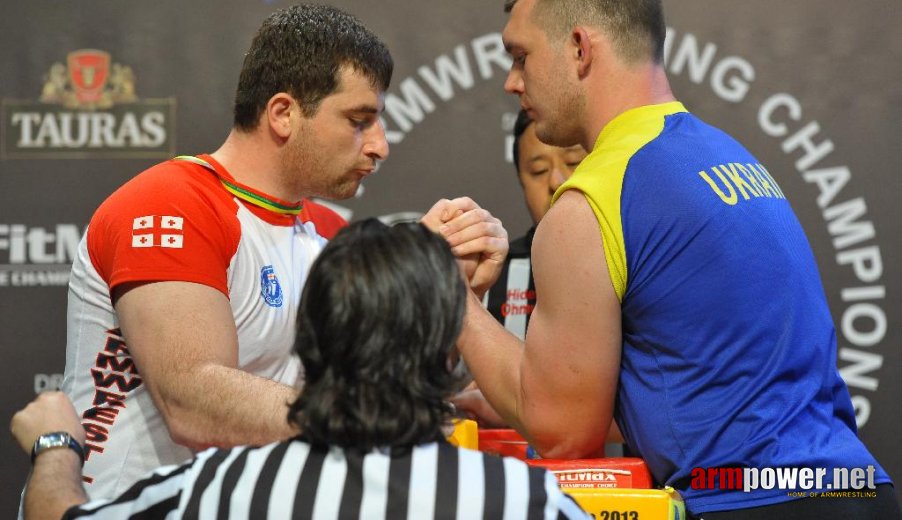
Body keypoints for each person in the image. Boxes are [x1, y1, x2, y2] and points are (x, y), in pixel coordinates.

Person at [449, 0, 900, 519]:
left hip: (748, 501)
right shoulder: (728, 156)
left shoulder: (592, 200)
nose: (513, 82)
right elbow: (711, 382)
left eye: (521, 56)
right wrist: (509, 401)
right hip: (857, 490)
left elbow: (563, 431)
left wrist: (450, 296)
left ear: (580, 49)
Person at [55, 3, 507, 501]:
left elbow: (406, 383)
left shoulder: (332, 234)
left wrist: (448, 290)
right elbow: (192, 403)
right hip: (124, 505)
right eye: (360, 120)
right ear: (284, 113)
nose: (380, 145)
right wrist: (366, 424)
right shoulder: (172, 204)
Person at [12, 220, 588, 520]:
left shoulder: (222, 488)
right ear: (446, 354)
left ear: (309, 341)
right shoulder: (524, 500)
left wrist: (57, 444)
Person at [485, 109, 586, 338]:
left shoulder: (644, 266)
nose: (557, 181)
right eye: (539, 170)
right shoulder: (490, 277)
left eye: (574, 162)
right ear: (521, 181)